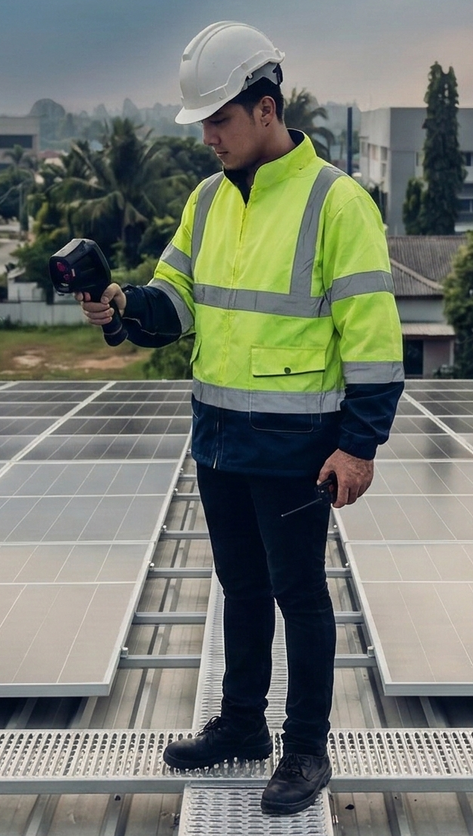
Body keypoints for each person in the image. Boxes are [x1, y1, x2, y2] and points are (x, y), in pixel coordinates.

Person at [76, 21, 404, 816]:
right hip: (219, 437)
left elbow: (372, 338)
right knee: (240, 589)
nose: (208, 140)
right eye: (202, 125)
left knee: (300, 594)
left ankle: (303, 749)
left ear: (265, 109)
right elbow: (176, 300)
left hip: (297, 446)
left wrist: (357, 447)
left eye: (219, 122)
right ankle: (243, 726)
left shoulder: (336, 202)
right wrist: (124, 307)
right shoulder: (206, 199)